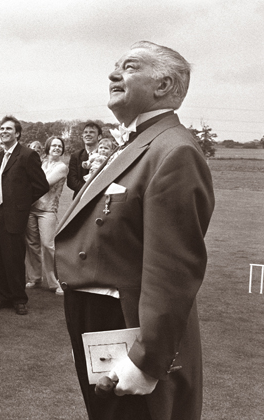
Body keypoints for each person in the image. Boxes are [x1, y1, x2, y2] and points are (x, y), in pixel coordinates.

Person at [56, 41, 214, 420]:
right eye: (114, 67)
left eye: (128, 67)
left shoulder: (174, 150)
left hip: (125, 321)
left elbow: (173, 270)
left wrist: (148, 360)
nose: (113, 75)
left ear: (162, 85)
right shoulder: (141, 142)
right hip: (100, 317)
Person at [0, 115, 50, 316]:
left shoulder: (27, 155)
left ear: (17, 133)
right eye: (2, 129)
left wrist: (21, 204)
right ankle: (3, 295)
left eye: (8, 129)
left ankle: (19, 298)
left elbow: (41, 185)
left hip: (14, 213)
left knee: (13, 256)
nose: (4, 132)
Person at [25, 137, 67, 294]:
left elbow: (44, 184)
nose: (56, 148)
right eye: (53, 145)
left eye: (59, 146)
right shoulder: (40, 163)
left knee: (48, 245)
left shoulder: (62, 167)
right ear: (48, 147)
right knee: (32, 244)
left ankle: (55, 281)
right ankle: (35, 278)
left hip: (47, 210)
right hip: (31, 207)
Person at [67, 122, 102, 198]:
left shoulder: (105, 156)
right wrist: (89, 191)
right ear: (82, 136)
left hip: (100, 198)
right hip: (80, 199)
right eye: (85, 132)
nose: (88, 134)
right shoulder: (75, 156)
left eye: (92, 132)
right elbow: (71, 181)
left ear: (99, 137)